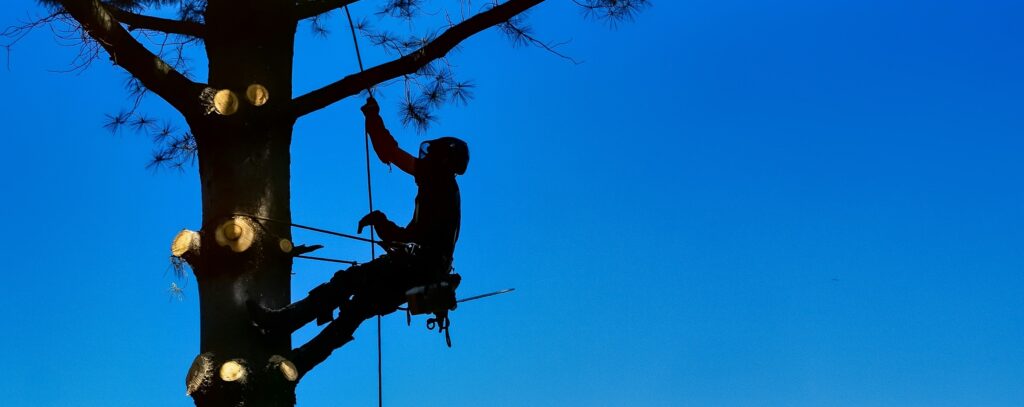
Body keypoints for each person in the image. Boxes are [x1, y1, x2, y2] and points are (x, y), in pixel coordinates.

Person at [249, 96, 469, 375]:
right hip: (422, 271)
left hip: (415, 268)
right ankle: (299, 362)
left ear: (443, 161)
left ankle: (283, 324)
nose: (424, 161)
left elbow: (390, 151)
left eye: (432, 156)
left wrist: (373, 117)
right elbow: (410, 236)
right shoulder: (441, 191)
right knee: (359, 307)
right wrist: (382, 223)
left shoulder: (439, 184)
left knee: (349, 282)